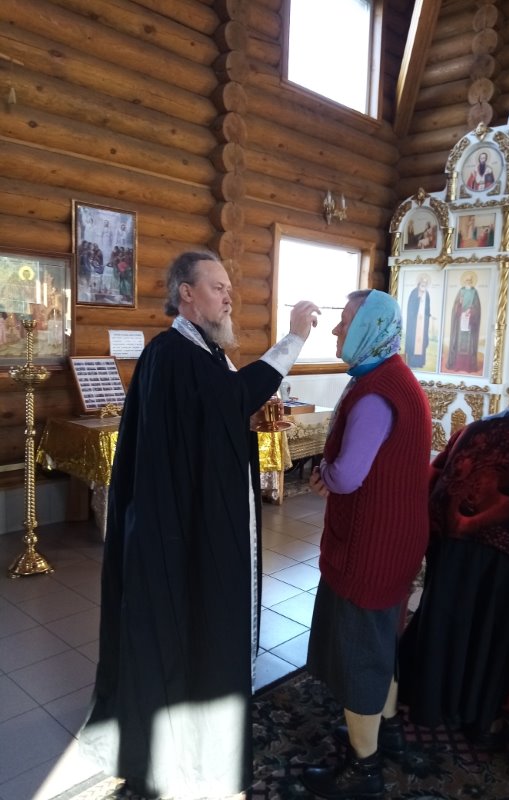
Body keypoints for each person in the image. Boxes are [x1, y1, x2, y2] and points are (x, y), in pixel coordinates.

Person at [78, 250, 320, 800]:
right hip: (173, 525)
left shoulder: (206, 352)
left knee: (199, 614)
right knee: (176, 617)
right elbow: (229, 400)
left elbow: (216, 414)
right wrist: (293, 340)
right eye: (218, 287)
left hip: (193, 516)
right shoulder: (171, 353)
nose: (228, 296)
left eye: (229, 287)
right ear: (185, 293)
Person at [300, 289, 432, 799]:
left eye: (346, 322)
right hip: (396, 538)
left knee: (359, 654)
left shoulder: (375, 393)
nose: (337, 330)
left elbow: (349, 475)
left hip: (372, 545)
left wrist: (327, 474)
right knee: (381, 641)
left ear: (370, 328)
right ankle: (388, 732)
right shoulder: (394, 377)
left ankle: (365, 769)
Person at [397, 402, 509, 746]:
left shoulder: (472, 429)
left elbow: (433, 479)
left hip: (453, 538)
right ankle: (477, 717)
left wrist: (435, 542)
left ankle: (429, 702)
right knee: (492, 633)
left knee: (442, 619)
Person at [446, 271, 481, 373]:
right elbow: (455, 307)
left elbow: (477, 307)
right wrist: (459, 305)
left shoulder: (474, 292)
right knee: (459, 342)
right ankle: (458, 366)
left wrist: (471, 311)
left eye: (470, 280)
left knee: (469, 344)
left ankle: (467, 367)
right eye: (467, 280)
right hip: (461, 320)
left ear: (472, 281)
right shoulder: (461, 291)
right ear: (464, 281)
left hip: (470, 321)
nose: (468, 282)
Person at [405, 273, 433, 369]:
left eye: (426, 282)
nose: (424, 283)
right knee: (413, 340)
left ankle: (420, 362)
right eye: (423, 281)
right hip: (414, 322)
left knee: (421, 341)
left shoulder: (427, 294)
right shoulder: (414, 293)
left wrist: (428, 316)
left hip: (423, 322)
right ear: (419, 282)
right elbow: (411, 308)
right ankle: (412, 362)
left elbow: (427, 308)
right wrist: (418, 298)